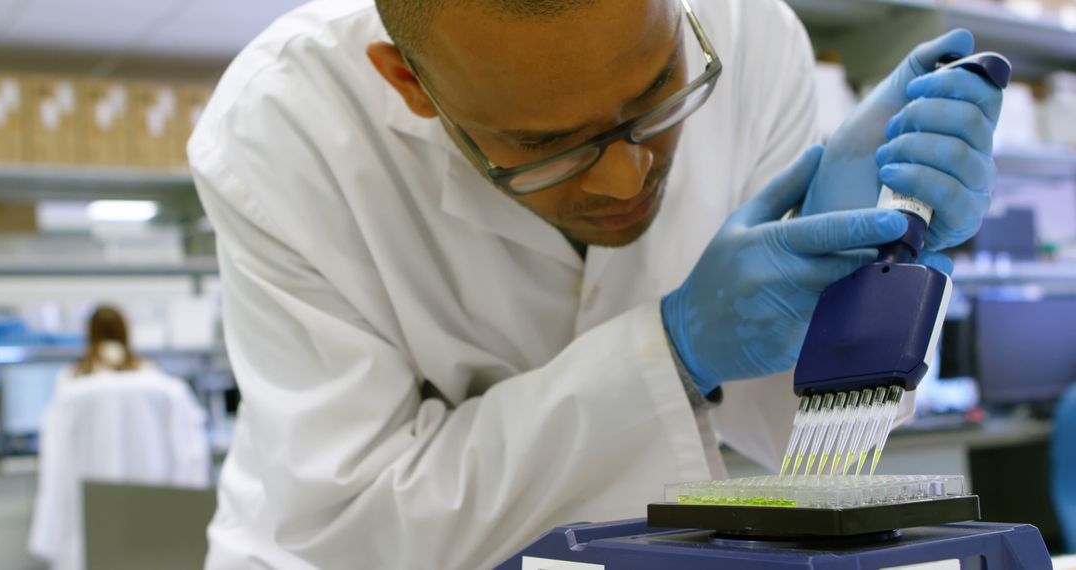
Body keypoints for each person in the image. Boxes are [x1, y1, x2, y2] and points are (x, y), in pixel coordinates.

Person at [189, 0, 1004, 567]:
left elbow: (793, 432)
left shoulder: (752, 39)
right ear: (410, 83)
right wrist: (672, 352)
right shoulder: (283, 131)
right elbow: (361, 526)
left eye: (656, 97)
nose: (623, 180)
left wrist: (877, 269)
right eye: (547, 144)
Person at [29, 305, 210, 570]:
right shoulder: (166, 389)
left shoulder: (71, 391)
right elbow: (191, 457)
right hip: (154, 524)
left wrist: (48, 536)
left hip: (88, 527)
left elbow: (54, 467)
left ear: (89, 335)